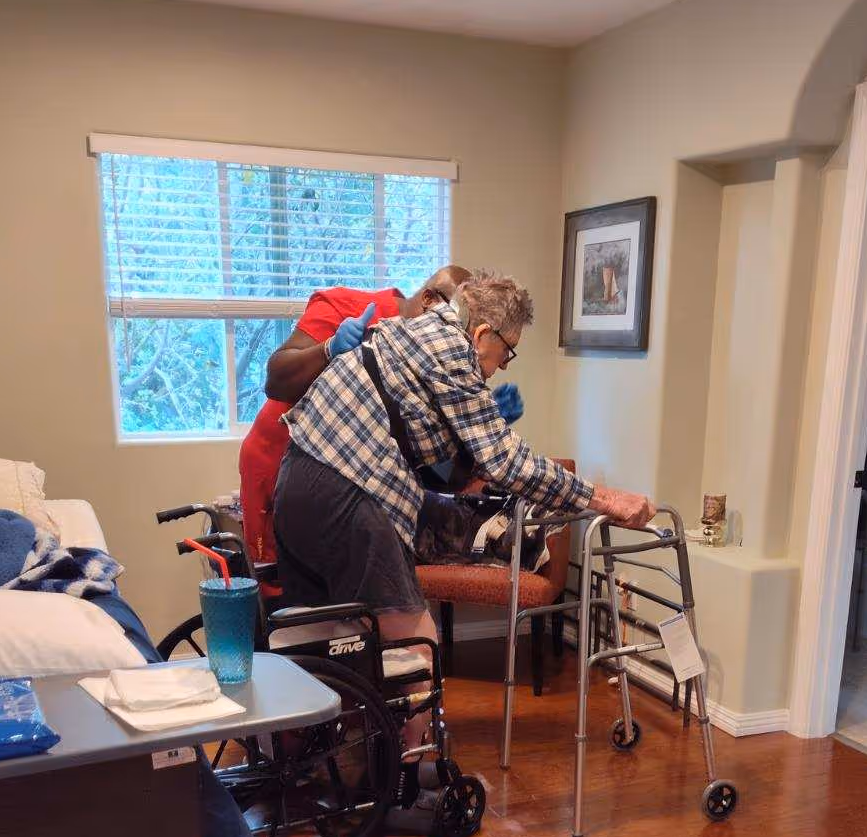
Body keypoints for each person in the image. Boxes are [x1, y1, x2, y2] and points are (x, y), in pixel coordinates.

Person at [273, 269, 653, 794]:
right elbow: (504, 460)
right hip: (347, 490)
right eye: (507, 352)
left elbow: (435, 454)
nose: (501, 367)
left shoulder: (415, 332)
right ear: (483, 334)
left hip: (298, 483)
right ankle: (404, 782)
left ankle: (306, 768)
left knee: (328, 637)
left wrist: (477, 452)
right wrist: (603, 498)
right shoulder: (452, 348)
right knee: (416, 642)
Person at [238, 268, 470, 570]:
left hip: (343, 487)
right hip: (281, 464)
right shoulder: (347, 307)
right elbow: (275, 380)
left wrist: (468, 438)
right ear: (429, 299)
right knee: (277, 584)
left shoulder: (429, 357)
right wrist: (329, 349)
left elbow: (432, 468)